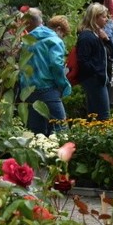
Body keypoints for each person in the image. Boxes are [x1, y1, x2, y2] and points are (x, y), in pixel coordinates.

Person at [18, 8, 71, 136]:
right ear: (58, 29)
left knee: (37, 134)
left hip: (29, 91)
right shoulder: (53, 40)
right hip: (48, 89)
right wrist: (63, 85)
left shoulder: (26, 41)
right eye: (63, 34)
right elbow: (56, 64)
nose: (62, 37)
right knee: (61, 131)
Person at [76, 3, 113, 120]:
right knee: (103, 115)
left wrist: (107, 39)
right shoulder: (86, 37)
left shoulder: (97, 35)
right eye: (104, 16)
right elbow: (83, 61)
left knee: (95, 115)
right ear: (95, 18)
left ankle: (93, 136)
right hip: (94, 81)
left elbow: (111, 54)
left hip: (102, 80)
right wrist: (97, 73)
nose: (107, 19)